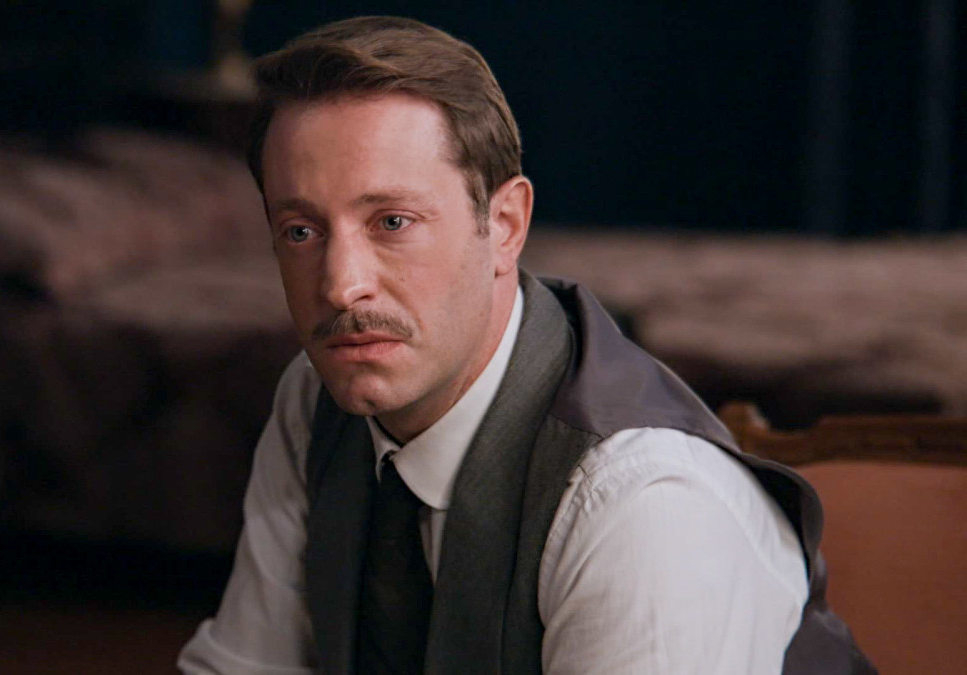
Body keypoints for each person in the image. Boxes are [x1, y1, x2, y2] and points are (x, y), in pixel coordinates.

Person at [179, 15, 873, 675]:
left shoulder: (641, 506)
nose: (341, 286)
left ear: (506, 225)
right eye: (301, 231)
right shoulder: (315, 400)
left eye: (392, 221)